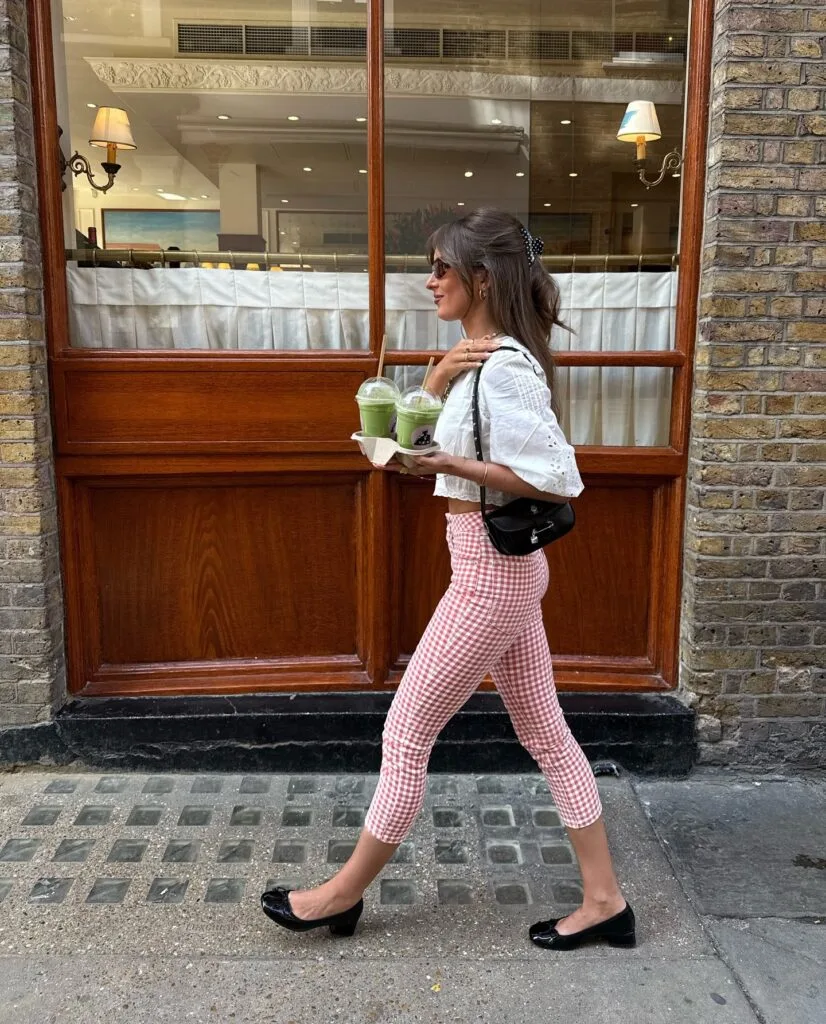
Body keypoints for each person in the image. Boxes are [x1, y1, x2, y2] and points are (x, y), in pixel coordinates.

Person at [261, 208, 635, 951]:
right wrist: (432, 381)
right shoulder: (472, 358)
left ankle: (339, 897)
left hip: (491, 577)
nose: (428, 279)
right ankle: (605, 902)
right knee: (547, 735)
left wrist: (450, 465)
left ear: (483, 278)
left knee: (406, 734)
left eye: (441, 267)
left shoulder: (505, 368)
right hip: (495, 568)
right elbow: (411, 452)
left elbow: (558, 480)